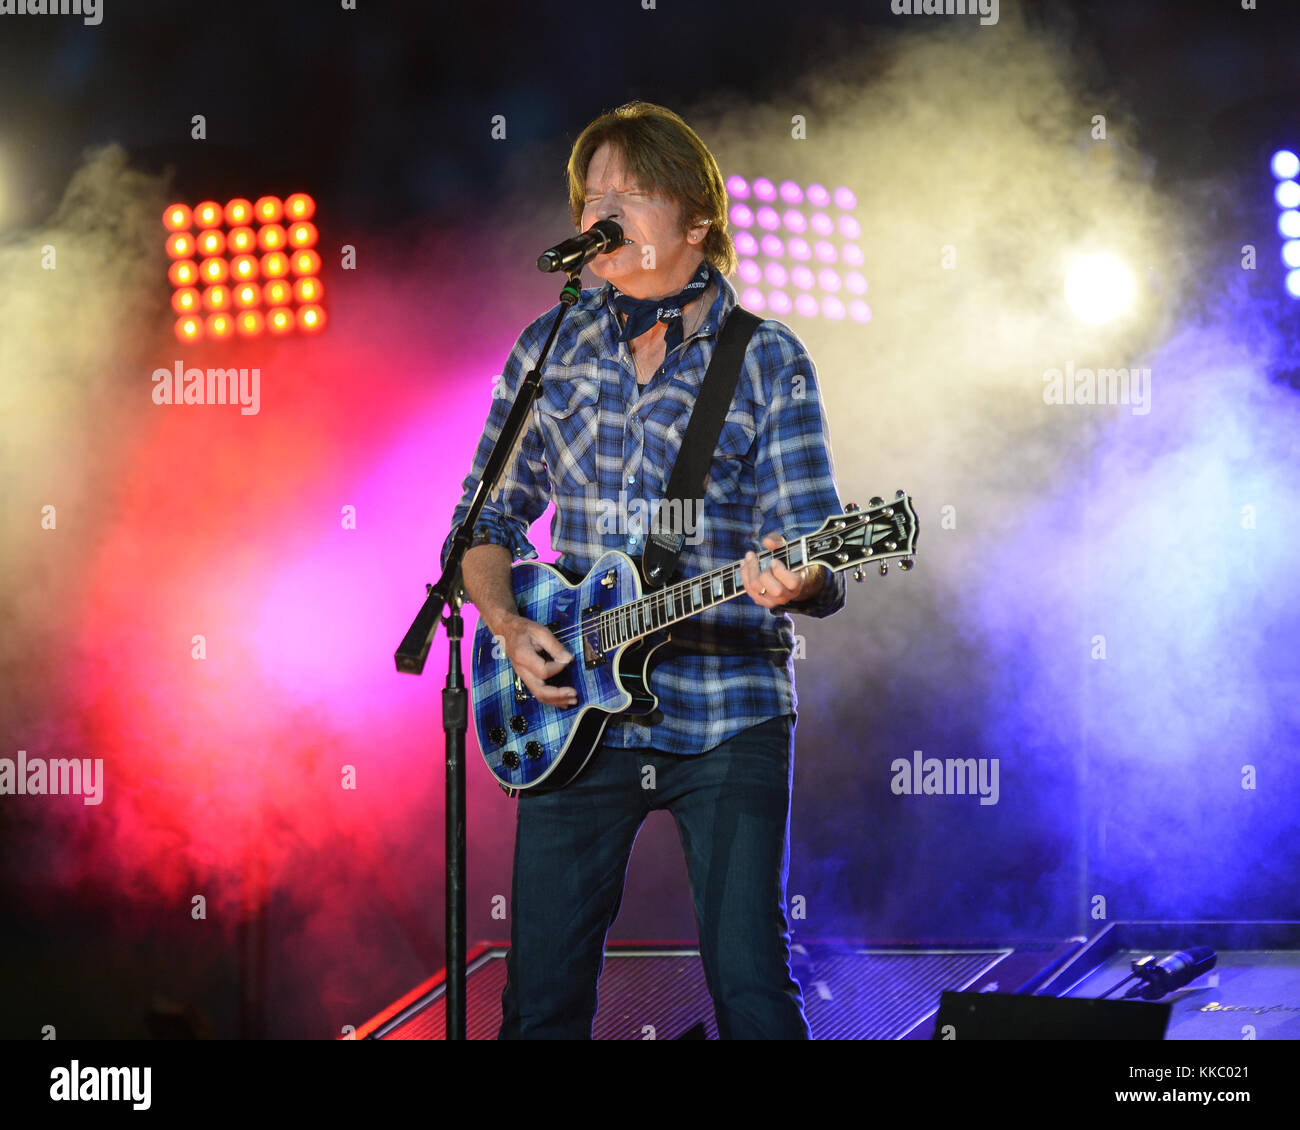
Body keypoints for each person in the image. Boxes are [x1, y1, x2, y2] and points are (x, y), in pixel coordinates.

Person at [442, 100, 846, 1039]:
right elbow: (483, 522)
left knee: (751, 986)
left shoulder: (766, 358)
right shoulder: (550, 348)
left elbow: (816, 548)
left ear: (697, 221)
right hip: (571, 711)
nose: (600, 213)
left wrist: (806, 577)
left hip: (729, 704)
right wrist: (508, 626)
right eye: (591, 197)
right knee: (540, 1000)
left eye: (627, 194)